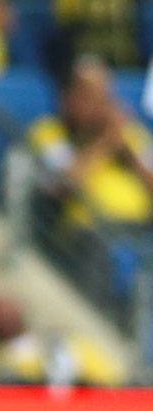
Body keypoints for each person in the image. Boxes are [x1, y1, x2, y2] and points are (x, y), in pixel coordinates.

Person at [28, 55, 153, 309]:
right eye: (90, 97)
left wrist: (128, 153)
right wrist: (107, 143)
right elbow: (63, 184)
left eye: (104, 97)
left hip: (141, 228)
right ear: (68, 98)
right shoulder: (49, 134)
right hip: (87, 235)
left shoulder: (130, 134)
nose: (100, 106)